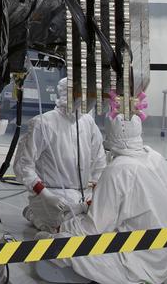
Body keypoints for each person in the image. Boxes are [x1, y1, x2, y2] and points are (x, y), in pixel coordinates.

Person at [36, 113, 167, 284]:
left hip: (135, 263)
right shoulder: (156, 158)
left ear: (110, 136)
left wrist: (61, 228)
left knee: (50, 244)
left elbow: (92, 230)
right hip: (162, 259)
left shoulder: (117, 170)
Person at [12, 77, 106, 229]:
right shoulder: (43, 123)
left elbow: (100, 163)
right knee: (65, 226)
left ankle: (36, 214)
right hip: (52, 195)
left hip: (84, 195)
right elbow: (23, 166)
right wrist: (45, 194)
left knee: (102, 220)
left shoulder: (88, 123)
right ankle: (35, 212)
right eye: (85, 96)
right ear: (70, 95)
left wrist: (94, 195)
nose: (89, 102)